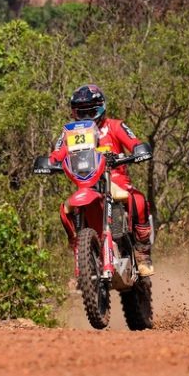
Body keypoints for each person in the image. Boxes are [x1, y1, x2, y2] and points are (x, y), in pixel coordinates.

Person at [50, 84, 155, 276]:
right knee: (65, 209)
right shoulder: (70, 133)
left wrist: (138, 149)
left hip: (115, 178)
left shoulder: (114, 126)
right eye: (82, 112)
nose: (87, 116)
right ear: (74, 112)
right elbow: (58, 152)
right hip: (86, 182)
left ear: (100, 107)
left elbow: (134, 142)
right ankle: (80, 254)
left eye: (91, 111)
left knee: (138, 200)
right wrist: (50, 162)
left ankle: (142, 252)